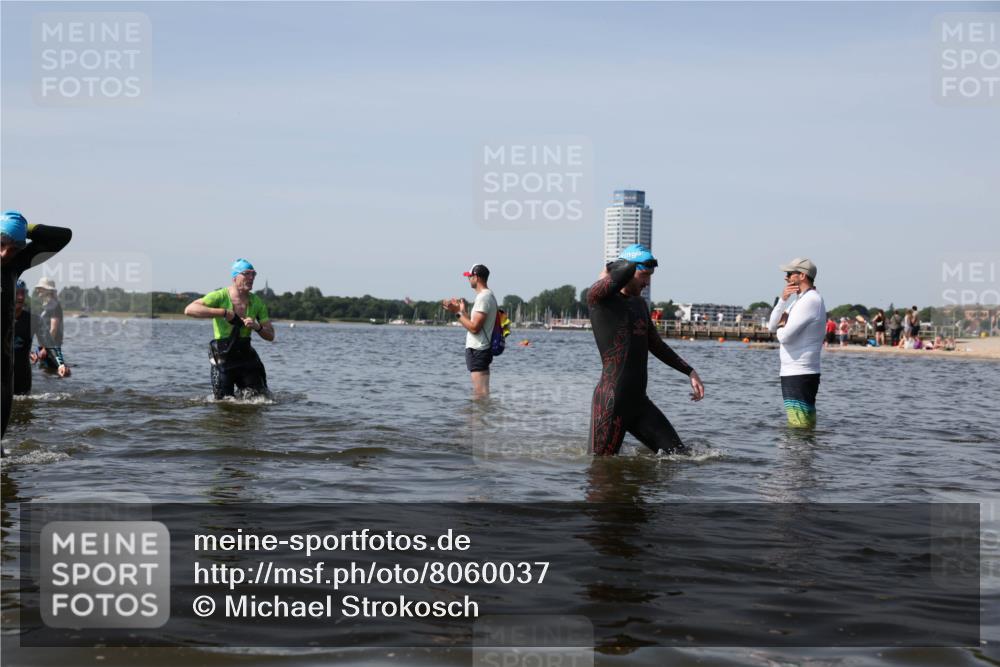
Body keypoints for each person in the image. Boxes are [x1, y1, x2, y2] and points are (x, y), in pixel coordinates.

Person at [586, 244, 704, 456]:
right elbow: (610, 278)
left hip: (639, 403)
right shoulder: (600, 301)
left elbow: (656, 344)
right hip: (611, 403)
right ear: (627, 271)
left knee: (679, 456)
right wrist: (614, 267)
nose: (647, 282)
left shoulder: (639, 304)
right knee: (602, 470)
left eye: (651, 276)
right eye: (643, 275)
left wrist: (689, 371)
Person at [1, 210, 72, 439]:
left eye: (13, 249)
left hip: (5, 372)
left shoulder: (15, 265)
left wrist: (24, 228)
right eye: (1, 244)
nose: (5, 254)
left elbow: (62, 236)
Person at [184, 259, 274, 399]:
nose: (251, 278)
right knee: (223, 403)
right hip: (223, 358)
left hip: (246, 357)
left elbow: (270, 335)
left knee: (260, 399)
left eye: (253, 274)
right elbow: (190, 309)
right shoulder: (220, 296)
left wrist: (257, 327)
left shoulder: (257, 302)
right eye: (246, 274)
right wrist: (224, 313)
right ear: (234, 277)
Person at [767, 258, 827, 428]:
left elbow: (784, 337)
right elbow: (772, 326)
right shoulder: (797, 301)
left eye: (789, 274)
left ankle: (803, 454)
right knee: (799, 425)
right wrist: (782, 300)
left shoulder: (810, 300)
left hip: (800, 372)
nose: (786, 278)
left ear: (802, 275)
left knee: (800, 427)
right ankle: (803, 454)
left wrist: (781, 324)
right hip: (792, 372)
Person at [442, 264, 497, 398]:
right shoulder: (486, 296)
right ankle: (482, 417)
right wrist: (461, 311)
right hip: (480, 350)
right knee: (481, 392)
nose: (468, 279)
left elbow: (474, 328)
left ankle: (479, 418)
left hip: (478, 350)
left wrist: (456, 313)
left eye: (470, 276)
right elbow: (473, 324)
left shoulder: (483, 297)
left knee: (480, 393)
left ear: (476, 277)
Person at [32, 277, 71, 377]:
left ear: (48, 290)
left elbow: (53, 329)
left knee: (61, 372)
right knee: (47, 373)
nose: (37, 290)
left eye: (40, 288)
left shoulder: (54, 306)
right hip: (46, 348)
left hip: (52, 348)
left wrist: (46, 348)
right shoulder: (47, 306)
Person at [12, 281, 41, 395]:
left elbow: (46, 344)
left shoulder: (33, 320)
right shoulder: (2, 316)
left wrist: (38, 352)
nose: (20, 297)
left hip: (23, 377)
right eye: (16, 293)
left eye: (23, 293)